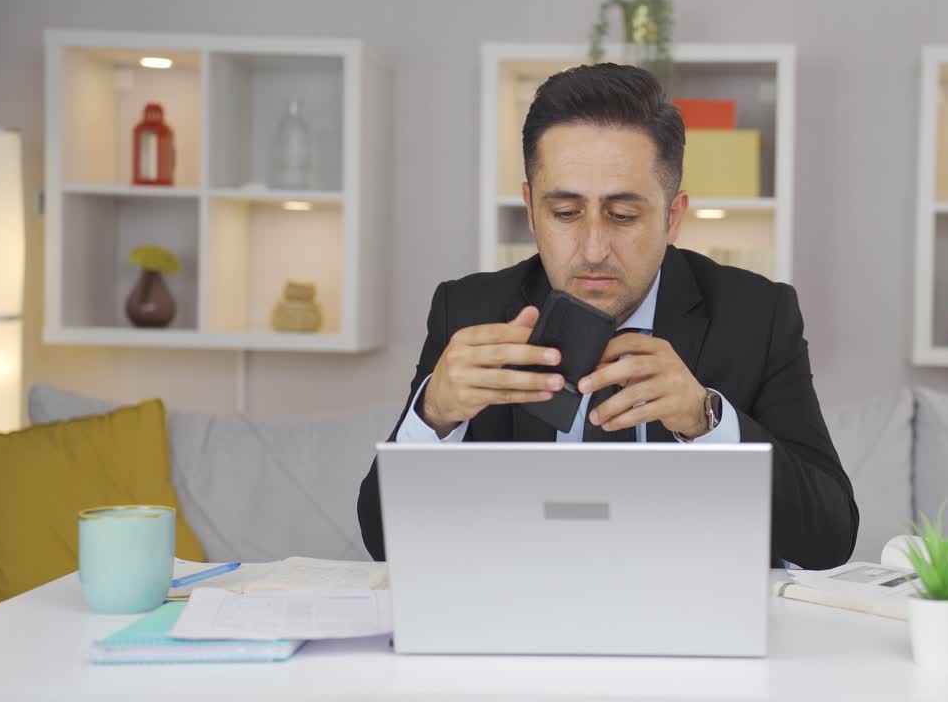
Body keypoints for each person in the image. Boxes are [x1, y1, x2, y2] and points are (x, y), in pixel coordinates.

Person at [357, 63, 858, 569]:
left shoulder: (758, 315)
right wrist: (433, 417)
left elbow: (830, 539)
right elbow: (382, 542)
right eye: (566, 213)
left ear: (673, 216)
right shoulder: (468, 311)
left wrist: (706, 419)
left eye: (623, 215)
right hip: (517, 619)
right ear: (531, 210)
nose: (594, 249)